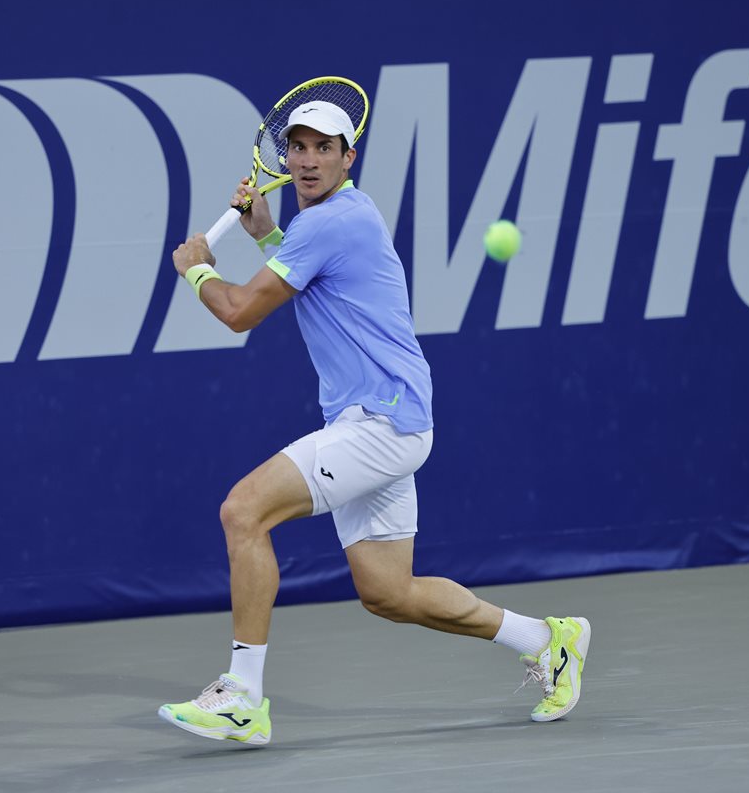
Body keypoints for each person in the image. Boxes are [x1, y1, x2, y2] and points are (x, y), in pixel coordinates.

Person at [158, 99, 591, 746]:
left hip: (379, 424)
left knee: (243, 511)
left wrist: (196, 268)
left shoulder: (330, 222)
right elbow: (317, 282)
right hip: (392, 423)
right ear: (285, 156)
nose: (308, 160)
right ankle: (548, 641)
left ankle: (242, 697)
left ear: (347, 157)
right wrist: (267, 235)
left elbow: (241, 311)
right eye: (298, 147)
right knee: (389, 592)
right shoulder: (340, 219)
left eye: (323, 148)